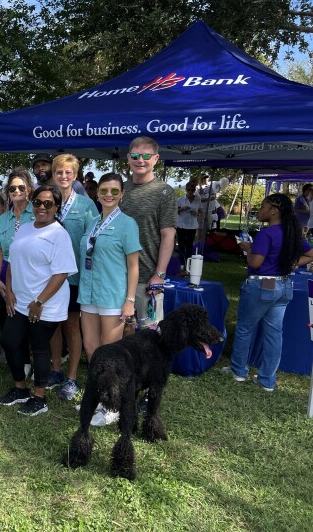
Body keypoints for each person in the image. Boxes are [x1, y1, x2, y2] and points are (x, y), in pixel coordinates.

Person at [0, 185, 76, 417]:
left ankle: (39, 398)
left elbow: (61, 273)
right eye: (38, 202)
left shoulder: (59, 235)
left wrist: (39, 302)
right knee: (10, 341)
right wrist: (9, 291)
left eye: (48, 203)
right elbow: (12, 260)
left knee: (39, 349)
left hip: (45, 305)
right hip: (20, 300)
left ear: (57, 207)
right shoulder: (25, 228)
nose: (42, 207)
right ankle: (20, 388)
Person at [222, 193, 313, 391]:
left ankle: (238, 370)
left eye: (263, 206)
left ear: (274, 210)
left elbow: (256, 262)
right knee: (274, 334)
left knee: (245, 328)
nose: (260, 210)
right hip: (283, 286)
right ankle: (267, 380)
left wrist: (248, 249)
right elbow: (310, 254)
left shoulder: (266, 234)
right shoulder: (292, 232)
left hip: (261, 285)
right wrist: (293, 264)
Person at [78, 173, 141, 425]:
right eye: (104, 190)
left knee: (111, 353)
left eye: (114, 191)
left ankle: (113, 404)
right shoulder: (93, 222)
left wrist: (130, 299)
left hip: (113, 295)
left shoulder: (127, 224)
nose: (108, 195)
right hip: (89, 292)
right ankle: (98, 395)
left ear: (122, 194)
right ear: (97, 192)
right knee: (92, 349)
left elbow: (134, 265)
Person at [50, 154, 100, 400]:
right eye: (59, 172)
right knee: (53, 325)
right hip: (48, 275)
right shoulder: (45, 200)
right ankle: (56, 370)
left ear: (75, 175)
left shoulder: (86, 205)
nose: (63, 176)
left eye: (68, 172)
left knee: (71, 325)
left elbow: (93, 239)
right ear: (53, 174)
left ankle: (71, 378)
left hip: (73, 276)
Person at [120, 136, 177, 328]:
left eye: (146, 156)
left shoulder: (164, 192)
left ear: (156, 159)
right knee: (122, 333)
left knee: (150, 336)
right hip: (118, 275)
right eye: (135, 155)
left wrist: (159, 274)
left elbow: (168, 235)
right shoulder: (120, 190)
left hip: (147, 278)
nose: (140, 160)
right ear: (128, 158)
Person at [0, 168, 34, 300]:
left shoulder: (38, 213)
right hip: (6, 272)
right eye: (12, 188)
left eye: (21, 188)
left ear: (29, 189)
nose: (17, 191)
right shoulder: (3, 219)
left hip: (31, 272)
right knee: (10, 313)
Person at [177, 181, 201, 274]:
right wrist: (182, 209)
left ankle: (188, 264)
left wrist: (197, 213)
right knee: (181, 245)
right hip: (181, 224)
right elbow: (175, 211)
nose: (190, 192)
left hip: (192, 225)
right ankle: (181, 263)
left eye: (193, 190)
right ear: (186, 190)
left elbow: (200, 212)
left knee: (189, 245)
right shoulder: (180, 199)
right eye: (189, 190)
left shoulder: (197, 198)